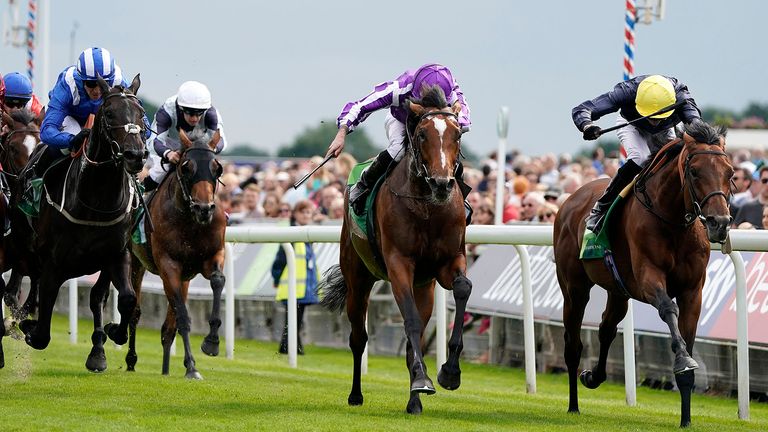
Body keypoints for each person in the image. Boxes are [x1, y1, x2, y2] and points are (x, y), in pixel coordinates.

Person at [326, 63, 471, 216]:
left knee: (446, 151)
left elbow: (464, 122)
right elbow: (360, 106)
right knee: (398, 150)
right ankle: (363, 185)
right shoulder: (400, 88)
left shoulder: (453, 92)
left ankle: (462, 198)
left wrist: (451, 128)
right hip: (402, 118)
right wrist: (342, 133)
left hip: (437, 126)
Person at [572, 74, 702, 233]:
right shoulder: (627, 91)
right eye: (650, 116)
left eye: (657, 116)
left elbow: (697, 125)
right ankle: (601, 208)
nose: (653, 121)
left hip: (665, 129)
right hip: (631, 125)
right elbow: (583, 109)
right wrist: (587, 125)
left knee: (675, 161)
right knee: (640, 157)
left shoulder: (680, 95)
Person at [34, 47, 149, 177]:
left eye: (103, 83)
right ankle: (36, 182)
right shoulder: (68, 85)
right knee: (64, 147)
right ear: (81, 79)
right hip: (71, 119)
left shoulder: (119, 81)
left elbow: (147, 128)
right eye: (90, 83)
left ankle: (136, 187)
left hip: (103, 121)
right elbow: (46, 132)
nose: (97, 90)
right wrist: (71, 140)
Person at [143, 81, 227, 192]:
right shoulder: (166, 111)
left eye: (199, 113)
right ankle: (140, 201)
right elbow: (154, 141)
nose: (195, 118)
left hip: (201, 146)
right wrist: (168, 153)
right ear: (181, 108)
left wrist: (209, 149)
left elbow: (221, 141)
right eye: (190, 112)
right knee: (160, 172)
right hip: (169, 144)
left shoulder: (211, 114)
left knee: (209, 173)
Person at [271, 200, 321, 354]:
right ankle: (291, 347)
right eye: (303, 212)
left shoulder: (307, 233)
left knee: (296, 319)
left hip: (304, 287)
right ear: (296, 214)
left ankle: (288, 346)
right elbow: (280, 259)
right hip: (293, 286)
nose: (306, 215)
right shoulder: (292, 233)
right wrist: (277, 278)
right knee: (293, 319)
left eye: (309, 212)